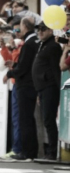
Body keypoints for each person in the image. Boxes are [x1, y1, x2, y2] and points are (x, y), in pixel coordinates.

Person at [4, 17, 39, 160]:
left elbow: (24, 67)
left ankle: (27, 152)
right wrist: (15, 66)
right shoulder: (35, 41)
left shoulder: (29, 43)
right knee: (28, 119)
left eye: (21, 26)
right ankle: (30, 151)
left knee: (25, 120)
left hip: (26, 85)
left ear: (24, 26)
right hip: (32, 84)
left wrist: (10, 73)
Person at [32, 21, 62, 160]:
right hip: (43, 88)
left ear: (51, 30)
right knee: (46, 120)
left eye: (43, 29)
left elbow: (56, 70)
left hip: (50, 87)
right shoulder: (43, 45)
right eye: (38, 29)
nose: (40, 32)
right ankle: (50, 150)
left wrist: (60, 90)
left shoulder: (53, 46)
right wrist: (39, 92)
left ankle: (52, 152)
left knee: (49, 120)